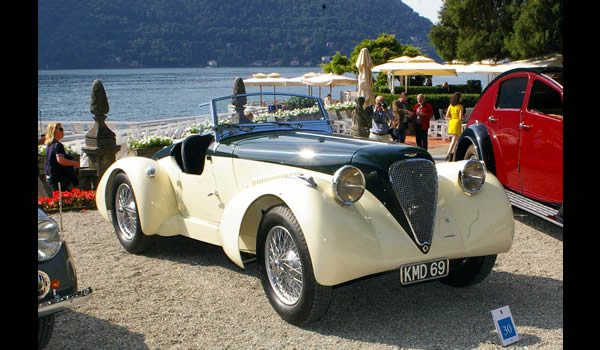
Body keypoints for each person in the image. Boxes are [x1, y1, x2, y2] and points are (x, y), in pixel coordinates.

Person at [44, 122, 80, 192]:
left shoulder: (49, 145)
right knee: (65, 198)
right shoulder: (58, 145)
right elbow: (61, 160)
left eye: (62, 129)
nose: (63, 131)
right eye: (60, 129)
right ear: (54, 131)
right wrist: (75, 163)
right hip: (57, 178)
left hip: (50, 176)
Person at [445, 92, 464, 161]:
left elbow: (447, 115)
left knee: (456, 139)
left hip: (452, 121)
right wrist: (465, 117)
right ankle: (448, 153)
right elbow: (460, 117)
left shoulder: (451, 105)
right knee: (455, 139)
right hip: (457, 122)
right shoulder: (460, 107)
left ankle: (454, 156)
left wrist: (452, 117)